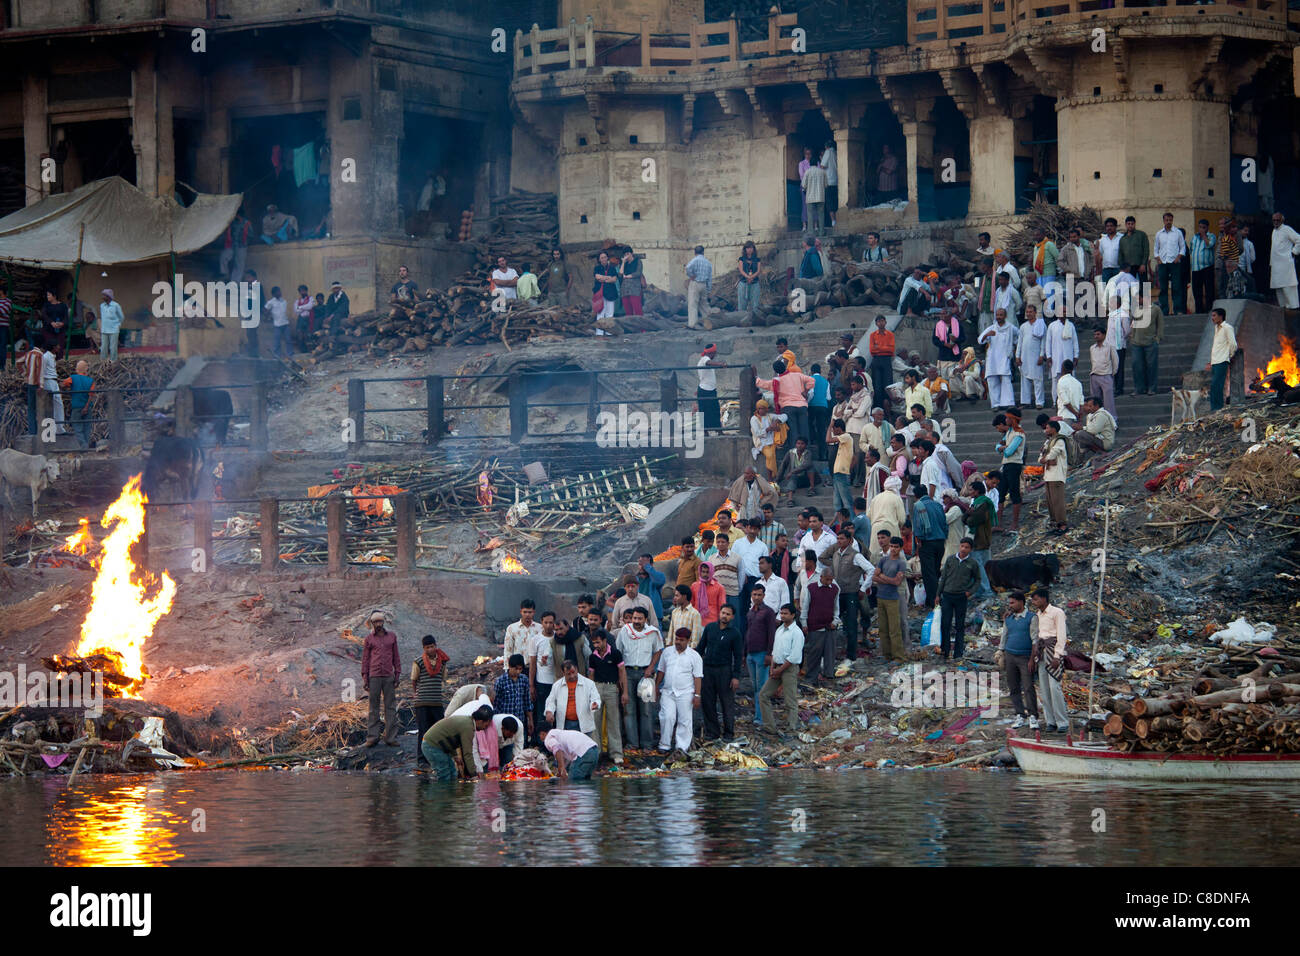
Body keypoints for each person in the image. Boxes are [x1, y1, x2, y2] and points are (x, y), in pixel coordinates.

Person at [616, 606, 662, 750]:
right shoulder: (625, 631)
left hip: (645, 675)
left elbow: (658, 650)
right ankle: (632, 743)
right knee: (628, 709)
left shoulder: (652, 633)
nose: (636, 621)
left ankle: (647, 744)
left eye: (639, 619)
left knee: (646, 710)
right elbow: (618, 652)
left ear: (645, 620)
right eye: (634, 618)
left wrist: (651, 667)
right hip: (627, 674)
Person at [695, 603, 744, 740]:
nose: (724, 616)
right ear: (719, 613)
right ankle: (712, 732)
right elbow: (700, 648)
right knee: (708, 702)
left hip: (725, 671)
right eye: (723, 613)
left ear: (732, 617)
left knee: (726, 703)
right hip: (708, 669)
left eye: (728, 614)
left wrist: (736, 677)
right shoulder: (710, 628)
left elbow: (738, 656)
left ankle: (728, 733)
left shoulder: (735, 633)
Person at [994, 592, 1039, 730]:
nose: (1010, 605)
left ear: (1021, 602)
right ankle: (1020, 714)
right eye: (1010, 603)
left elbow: (1035, 640)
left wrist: (1032, 659)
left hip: (1025, 657)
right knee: (1013, 687)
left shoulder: (1032, 618)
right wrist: (1000, 651)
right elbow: (1004, 635)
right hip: (1010, 656)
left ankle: (1033, 716)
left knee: (1028, 687)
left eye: (1013, 602)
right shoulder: (1009, 619)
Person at [655, 627, 703, 752]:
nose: (678, 642)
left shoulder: (694, 656)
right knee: (667, 717)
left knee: (685, 720)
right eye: (676, 639)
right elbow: (661, 670)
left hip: (686, 692)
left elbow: (697, 677)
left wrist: (697, 696)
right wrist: (656, 686)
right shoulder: (667, 652)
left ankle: (681, 747)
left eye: (681, 640)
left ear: (688, 640)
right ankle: (664, 745)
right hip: (668, 691)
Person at [758, 604, 804, 735]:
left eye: (785, 613)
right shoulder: (779, 630)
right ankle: (769, 727)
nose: (782, 616)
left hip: (789, 668)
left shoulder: (796, 633)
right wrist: (772, 668)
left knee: (790, 699)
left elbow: (794, 656)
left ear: (793, 615)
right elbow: (775, 651)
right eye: (781, 613)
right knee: (763, 695)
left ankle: (791, 728)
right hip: (777, 666)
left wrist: (780, 670)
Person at [1029, 589, 1069, 733]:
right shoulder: (1038, 615)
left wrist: (1057, 655)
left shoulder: (1056, 613)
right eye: (1033, 600)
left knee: (1055, 688)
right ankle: (1050, 721)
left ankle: (1062, 721)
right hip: (1041, 652)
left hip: (1053, 651)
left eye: (1036, 599)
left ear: (1044, 599)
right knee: (1044, 689)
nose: (1034, 602)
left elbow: (1062, 636)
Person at [361, 610, 401, 747]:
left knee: (390, 707)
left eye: (380, 621)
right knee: (373, 708)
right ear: (372, 623)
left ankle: (390, 738)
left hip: (388, 675)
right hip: (374, 676)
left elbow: (396, 656)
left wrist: (397, 675)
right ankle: (372, 737)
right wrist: (365, 678)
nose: (378, 624)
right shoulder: (369, 639)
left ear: (383, 622)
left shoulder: (392, 637)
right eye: (375, 622)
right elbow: (365, 659)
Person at [587, 628, 626, 765]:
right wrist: (590, 694)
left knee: (613, 721)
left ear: (604, 641)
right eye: (594, 643)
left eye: (598, 642)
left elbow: (622, 672)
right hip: (597, 687)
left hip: (611, 688)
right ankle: (596, 752)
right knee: (594, 721)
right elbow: (591, 675)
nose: (596, 645)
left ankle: (616, 753)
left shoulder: (615, 654)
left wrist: (624, 692)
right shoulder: (593, 656)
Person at [935, 538, 979, 660]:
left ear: (971, 549)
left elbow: (977, 580)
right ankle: (945, 650)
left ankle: (958, 653)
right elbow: (943, 578)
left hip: (961, 597)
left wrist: (969, 592)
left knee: (959, 625)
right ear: (959, 546)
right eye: (962, 546)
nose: (964, 549)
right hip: (947, 595)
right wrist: (938, 594)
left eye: (967, 547)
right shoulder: (950, 559)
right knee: (945, 624)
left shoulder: (972, 563)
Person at [422, 706, 493, 781]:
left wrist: (455, 755)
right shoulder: (468, 727)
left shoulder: (468, 722)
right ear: (480, 721)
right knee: (444, 774)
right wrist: (474, 775)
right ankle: (440, 792)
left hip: (439, 746)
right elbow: (468, 753)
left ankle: (449, 791)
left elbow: (449, 737)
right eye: (485, 726)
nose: (484, 729)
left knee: (453, 773)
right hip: (432, 745)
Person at [411, 636, 450, 768]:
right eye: (427, 647)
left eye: (432, 646)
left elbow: (444, 678)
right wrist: (416, 694)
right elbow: (414, 679)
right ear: (424, 649)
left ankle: (438, 757)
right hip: (422, 702)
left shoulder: (442, 661)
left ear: (436, 646)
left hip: (437, 702)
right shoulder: (418, 662)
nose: (431, 649)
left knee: (439, 730)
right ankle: (422, 760)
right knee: (423, 731)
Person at [545, 659, 602, 747]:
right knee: (567, 750)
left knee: (583, 750)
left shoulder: (589, 683)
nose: (572, 676)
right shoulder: (557, 685)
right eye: (568, 674)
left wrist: (595, 704)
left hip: (583, 723)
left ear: (577, 669)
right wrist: (549, 711)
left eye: (573, 672)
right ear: (563, 673)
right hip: (565, 724)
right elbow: (551, 701)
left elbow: (596, 698)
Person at [800, 567, 839, 680]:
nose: (829, 582)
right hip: (815, 626)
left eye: (831, 580)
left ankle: (829, 676)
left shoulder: (835, 589)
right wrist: (804, 623)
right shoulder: (811, 588)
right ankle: (811, 678)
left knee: (830, 653)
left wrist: (835, 621)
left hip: (829, 626)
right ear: (821, 577)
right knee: (814, 654)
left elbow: (836, 607)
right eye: (827, 579)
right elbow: (805, 607)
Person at [912, 488, 947, 612]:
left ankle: (934, 601)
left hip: (927, 542)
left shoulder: (918, 506)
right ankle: (934, 598)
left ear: (916, 496)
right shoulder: (937, 504)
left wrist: (919, 542)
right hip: (940, 542)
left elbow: (918, 526)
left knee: (929, 573)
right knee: (936, 571)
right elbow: (944, 523)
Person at [978, 309, 1018, 410]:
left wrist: (1015, 350)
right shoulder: (992, 328)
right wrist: (987, 335)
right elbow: (980, 340)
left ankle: (1009, 402)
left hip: (1005, 357)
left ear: (1005, 316)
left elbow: (1019, 338)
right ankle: (995, 404)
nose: (999, 317)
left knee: (1006, 379)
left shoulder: (1011, 328)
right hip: (992, 358)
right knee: (992, 380)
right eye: (997, 315)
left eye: (1001, 315)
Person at [874, 537, 908, 660]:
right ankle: (887, 655)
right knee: (883, 629)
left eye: (896, 547)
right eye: (892, 546)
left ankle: (898, 656)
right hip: (880, 596)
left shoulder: (901, 563)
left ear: (900, 548)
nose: (893, 549)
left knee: (894, 629)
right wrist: (887, 579)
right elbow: (874, 577)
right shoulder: (883, 560)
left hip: (892, 598)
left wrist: (882, 576)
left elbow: (896, 582)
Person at [492, 652, 532, 755]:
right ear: (510, 667)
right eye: (516, 669)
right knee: (505, 752)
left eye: (520, 669)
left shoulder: (524, 680)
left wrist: (530, 720)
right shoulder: (500, 682)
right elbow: (495, 704)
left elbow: (527, 702)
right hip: (505, 724)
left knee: (519, 750)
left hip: (520, 722)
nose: (518, 672)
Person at [1152, 211, 1187, 314]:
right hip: (1163, 263)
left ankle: (1177, 310)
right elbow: (1155, 249)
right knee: (1163, 288)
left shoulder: (1177, 233)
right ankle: (1164, 310)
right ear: (1163, 221)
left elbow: (1182, 247)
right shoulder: (1159, 234)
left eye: (1170, 220)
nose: (1168, 222)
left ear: (1172, 220)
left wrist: (1178, 257)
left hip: (1175, 263)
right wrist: (1158, 259)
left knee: (1176, 287)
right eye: (1166, 220)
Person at [1039, 419, 1069, 533]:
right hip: (1048, 475)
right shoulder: (1048, 442)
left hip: (1056, 475)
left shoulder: (1059, 441)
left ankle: (1062, 524)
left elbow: (1052, 454)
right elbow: (1041, 456)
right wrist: (1045, 459)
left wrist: (1045, 459)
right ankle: (1055, 522)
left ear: (1054, 429)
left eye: (1047, 428)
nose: (1045, 430)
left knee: (1057, 500)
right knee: (1050, 501)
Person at [1205, 306, 1236, 411]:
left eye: (1214, 316)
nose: (1212, 318)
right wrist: (1211, 361)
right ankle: (1214, 408)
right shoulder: (1216, 328)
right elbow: (1217, 347)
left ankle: (1218, 408)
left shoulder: (1227, 328)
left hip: (1222, 361)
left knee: (1217, 385)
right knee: (1214, 386)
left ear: (1220, 316)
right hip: (1215, 361)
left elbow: (1233, 344)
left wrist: (1229, 356)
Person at [1044, 315, 1079, 403]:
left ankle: (1070, 401)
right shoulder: (1052, 326)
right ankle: (1055, 402)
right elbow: (1048, 342)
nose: (1063, 313)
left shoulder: (1070, 325)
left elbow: (1075, 342)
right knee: (1056, 380)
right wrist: (1048, 356)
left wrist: (1076, 356)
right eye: (1061, 311)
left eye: (1065, 311)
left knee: (1070, 380)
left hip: (1068, 358)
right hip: (1055, 358)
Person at [1269, 212, 1300, 308]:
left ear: (1282, 220)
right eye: (1274, 220)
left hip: (1286, 265)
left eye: (1277, 220)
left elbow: (1299, 239)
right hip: (1276, 266)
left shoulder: (1287, 229)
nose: (1276, 222)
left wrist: (1294, 252)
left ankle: (1294, 308)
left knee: (1289, 287)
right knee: (1279, 289)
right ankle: (1283, 309)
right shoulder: (1274, 231)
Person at [1088, 326, 1119, 420]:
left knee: (1108, 401)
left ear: (1104, 335)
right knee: (1095, 402)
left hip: (1106, 375)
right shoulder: (1092, 348)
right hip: (1094, 376)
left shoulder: (1110, 347)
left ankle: (1112, 420)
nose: (1096, 336)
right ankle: (1097, 420)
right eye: (1095, 334)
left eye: (1098, 334)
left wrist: (1111, 374)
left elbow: (1115, 362)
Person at [504, 599, 542, 671]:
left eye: (530, 612)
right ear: (521, 612)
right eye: (525, 612)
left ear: (534, 612)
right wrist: (507, 669)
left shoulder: (540, 628)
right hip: (517, 668)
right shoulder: (512, 628)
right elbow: (508, 650)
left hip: (535, 668)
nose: (527, 615)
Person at [1031, 228, 1061, 315]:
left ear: (1043, 234)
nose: (1036, 237)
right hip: (1038, 275)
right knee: (1040, 296)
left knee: (1048, 295)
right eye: (1035, 235)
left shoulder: (1049, 244)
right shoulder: (1036, 247)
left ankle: (1049, 314)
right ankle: (1041, 315)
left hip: (1049, 274)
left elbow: (1057, 257)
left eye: (1038, 235)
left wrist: (1059, 269)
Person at [697, 344, 725, 432]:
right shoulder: (705, 359)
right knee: (708, 411)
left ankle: (716, 431)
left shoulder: (703, 360)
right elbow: (708, 363)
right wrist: (720, 364)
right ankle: (709, 432)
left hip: (709, 390)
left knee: (713, 411)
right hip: (706, 390)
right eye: (715, 353)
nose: (715, 355)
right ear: (712, 353)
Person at [685, 245, 713, 328]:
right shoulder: (708, 263)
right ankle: (709, 322)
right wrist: (709, 289)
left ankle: (693, 324)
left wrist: (691, 275)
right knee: (704, 304)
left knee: (693, 304)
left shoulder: (695, 260)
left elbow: (688, 267)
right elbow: (710, 278)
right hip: (704, 284)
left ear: (695, 252)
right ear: (703, 252)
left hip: (695, 283)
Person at [669, 583, 703, 647]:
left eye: (677, 596)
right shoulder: (675, 612)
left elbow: (695, 639)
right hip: (674, 649)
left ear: (684, 596)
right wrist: (668, 646)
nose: (674, 598)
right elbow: (671, 633)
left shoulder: (695, 614)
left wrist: (691, 652)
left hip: (687, 651)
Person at [96, 289, 123, 362]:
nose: (102, 297)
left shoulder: (116, 305)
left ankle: (113, 362)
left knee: (113, 347)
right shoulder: (102, 306)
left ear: (109, 296)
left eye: (104, 295)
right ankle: (103, 362)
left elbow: (121, 317)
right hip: (104, 330)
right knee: (103, 347)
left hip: (114, 330)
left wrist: (118, 325)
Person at [802, 159, 827, 236]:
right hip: (820, 196)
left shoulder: (807, 172)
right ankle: (821, 232)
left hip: (810, 197)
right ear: (817, 164)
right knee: (821, 214)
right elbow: (826, 185)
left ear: (810, 164)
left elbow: (803, 185)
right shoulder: (822, 172)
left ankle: (811, 232)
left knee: (810, 214)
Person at [591, 251, 618, 321]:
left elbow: (614, 279)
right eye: (602, 258)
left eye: (605, 257)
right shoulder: (597, 268)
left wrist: (603, 278)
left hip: (610, 293)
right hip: (600, 293)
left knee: (610, 313)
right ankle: (599, 332)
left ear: (607, 258)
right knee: (600, 312)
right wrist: (608, 277)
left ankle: (609, 332)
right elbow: (597, 277)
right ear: (599, 259)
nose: (604, 259)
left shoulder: (612, 268)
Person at [737, 240, 762, 313]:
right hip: (743, 283)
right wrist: (748, 277)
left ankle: (755, 319)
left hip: (754, 283)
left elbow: (758, 271)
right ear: (745, 249)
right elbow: (741, 270)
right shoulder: (741, 259)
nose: (749, 250)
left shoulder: (757, 259)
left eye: (751, 248)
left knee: (755, 303)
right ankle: (741, 318)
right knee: (742, 303)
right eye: (747, 248)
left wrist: (752, 277)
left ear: (753, 249)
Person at [618, 248, 644, 315]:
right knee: (628, 311)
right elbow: (620, 274)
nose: (627, 256)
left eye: (628, 254)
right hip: (625, 290)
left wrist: (628, 276)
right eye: (625, 254)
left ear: (631, 253)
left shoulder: (638, 261)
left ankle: (640, 324)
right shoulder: (624, 263)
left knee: (637, 309)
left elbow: (638, 273)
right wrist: (623, 262)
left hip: (634, 289)